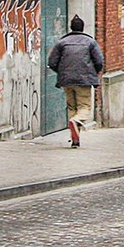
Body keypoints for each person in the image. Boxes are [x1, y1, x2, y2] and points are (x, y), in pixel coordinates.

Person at [47, 15, 104, 148]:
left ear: (71, 28)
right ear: (82, 28)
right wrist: (93, 73)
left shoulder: (62, 42)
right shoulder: (90, 42)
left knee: (72, 107)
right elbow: (99, 61)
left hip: (66, 81)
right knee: (84, 107)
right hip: (84, 80)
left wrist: (62, 72)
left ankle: (75, 140)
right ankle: (76, 121)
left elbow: (52, 62)